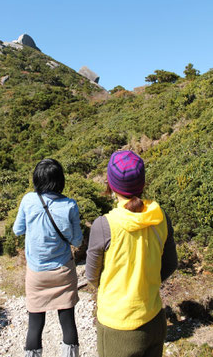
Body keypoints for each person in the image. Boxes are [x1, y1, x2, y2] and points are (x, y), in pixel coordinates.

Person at [86, 150, 178, 357]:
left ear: (110, 184)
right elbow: (170, 264)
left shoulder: (104, 225)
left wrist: (118, 288)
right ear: (143, 183)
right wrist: (146, 283)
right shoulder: (160, 217)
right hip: (154, 318)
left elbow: (92, 276)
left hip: (119, 327)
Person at [13, 158, 83, 357]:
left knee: (35, 325)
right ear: (60, 180)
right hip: (63, 271)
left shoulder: (28, 200)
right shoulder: (70, 205)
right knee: (68, 322)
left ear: (36, 179)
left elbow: (17, 230)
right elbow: (77, 241)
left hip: (37, 274)